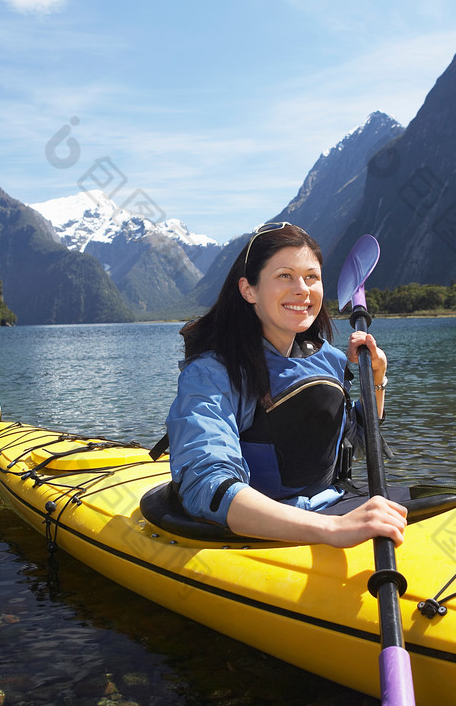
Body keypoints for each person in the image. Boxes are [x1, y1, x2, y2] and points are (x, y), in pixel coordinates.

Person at [165, 221, 407, 548]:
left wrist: (377, 379)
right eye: (284, 276)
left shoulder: (330, 359)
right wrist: (331, 529)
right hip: (270, 531)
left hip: (333, 507)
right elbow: (206, 486)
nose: (302, 289)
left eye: (311, 277)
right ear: (248, 289)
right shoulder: (212, 373)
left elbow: (360, 444)